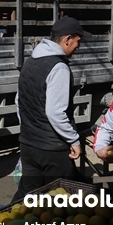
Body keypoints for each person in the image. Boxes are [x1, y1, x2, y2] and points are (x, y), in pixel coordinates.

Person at [11, 17, 88, 202]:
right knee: (59, 200)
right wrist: (74, 140)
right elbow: (55, 112)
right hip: (52, 149)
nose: (78, 47)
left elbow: (19, 101)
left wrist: (29, 128)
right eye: (78, 41)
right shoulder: (59, 67)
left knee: (27, 197)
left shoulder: (30, 62)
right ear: (67, 39)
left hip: (28, 145)